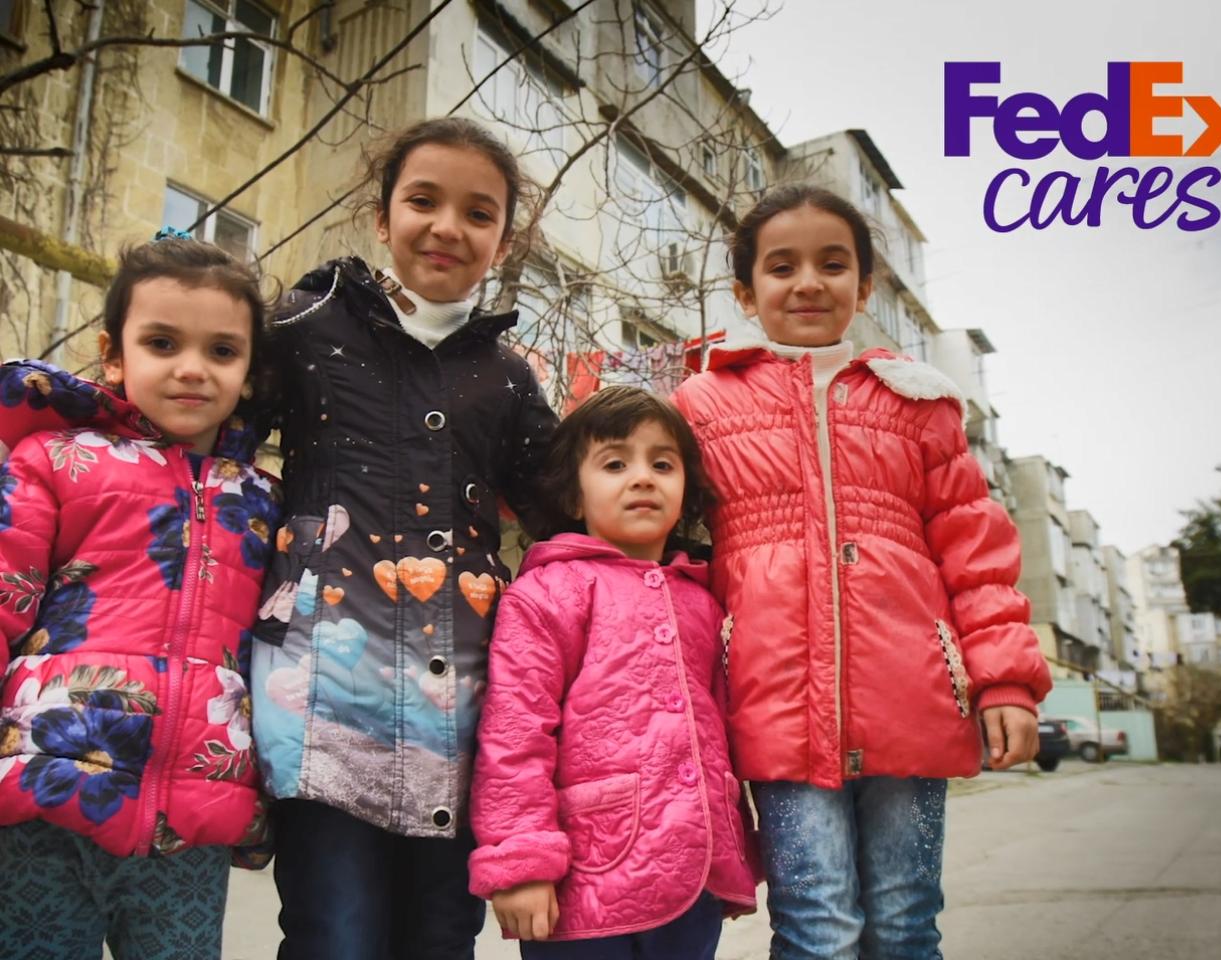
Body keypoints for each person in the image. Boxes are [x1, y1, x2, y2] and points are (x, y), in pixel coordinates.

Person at [670, 184, 1053, 960]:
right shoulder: (700, 404)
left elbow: (975, 553)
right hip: (773, 705)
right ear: (747, 290)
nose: (808, 282)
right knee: (818, 928)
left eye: (832, 264)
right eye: (782, 267)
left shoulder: (920, 404)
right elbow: (666, 547)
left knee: (907, 926)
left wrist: (1004, 682)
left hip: (912, 697)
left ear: (865, 285)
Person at [250, 116, 558, 960]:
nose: (448, 228)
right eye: (423, 201)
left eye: (479, 213)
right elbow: (207, 433)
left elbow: (568, 518)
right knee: (333, 935)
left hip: (458, 713)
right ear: (383, 217)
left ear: (504, 236)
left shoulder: (506, 375)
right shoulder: (308, 325)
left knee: (437, 939)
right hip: (317, 699)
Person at [0, 235, 280, 960]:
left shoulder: (265, 501)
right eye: (162, 342)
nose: (192, 369)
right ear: (113, 354)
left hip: (193, 817)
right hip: (47, 791)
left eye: (222, 351)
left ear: (249, 372)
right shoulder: (55, 459)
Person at [468, 386, 756, 959]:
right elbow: (513, 734)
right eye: (616, 463)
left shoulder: (706, 600)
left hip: (693, 875)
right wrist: (520, 861)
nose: (643, 477)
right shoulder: (549, 593)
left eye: (663, 463)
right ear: (574, 497)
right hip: (587, 879)